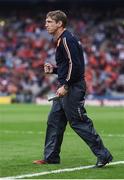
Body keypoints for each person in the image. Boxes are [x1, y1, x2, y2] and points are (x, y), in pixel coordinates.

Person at [33, 10, 113, 167]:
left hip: (72, 88)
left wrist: (66, 85)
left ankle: (103, 155)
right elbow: (69, 65)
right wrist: (55, 70)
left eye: (49, 22)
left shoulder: (66, 40)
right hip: (66, 87)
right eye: (46, 21)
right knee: (54, 121)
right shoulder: (63, 40)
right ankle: (51, 157)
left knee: (78, 122)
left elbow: (76, 66)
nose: (46, 25)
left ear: (59, 24)